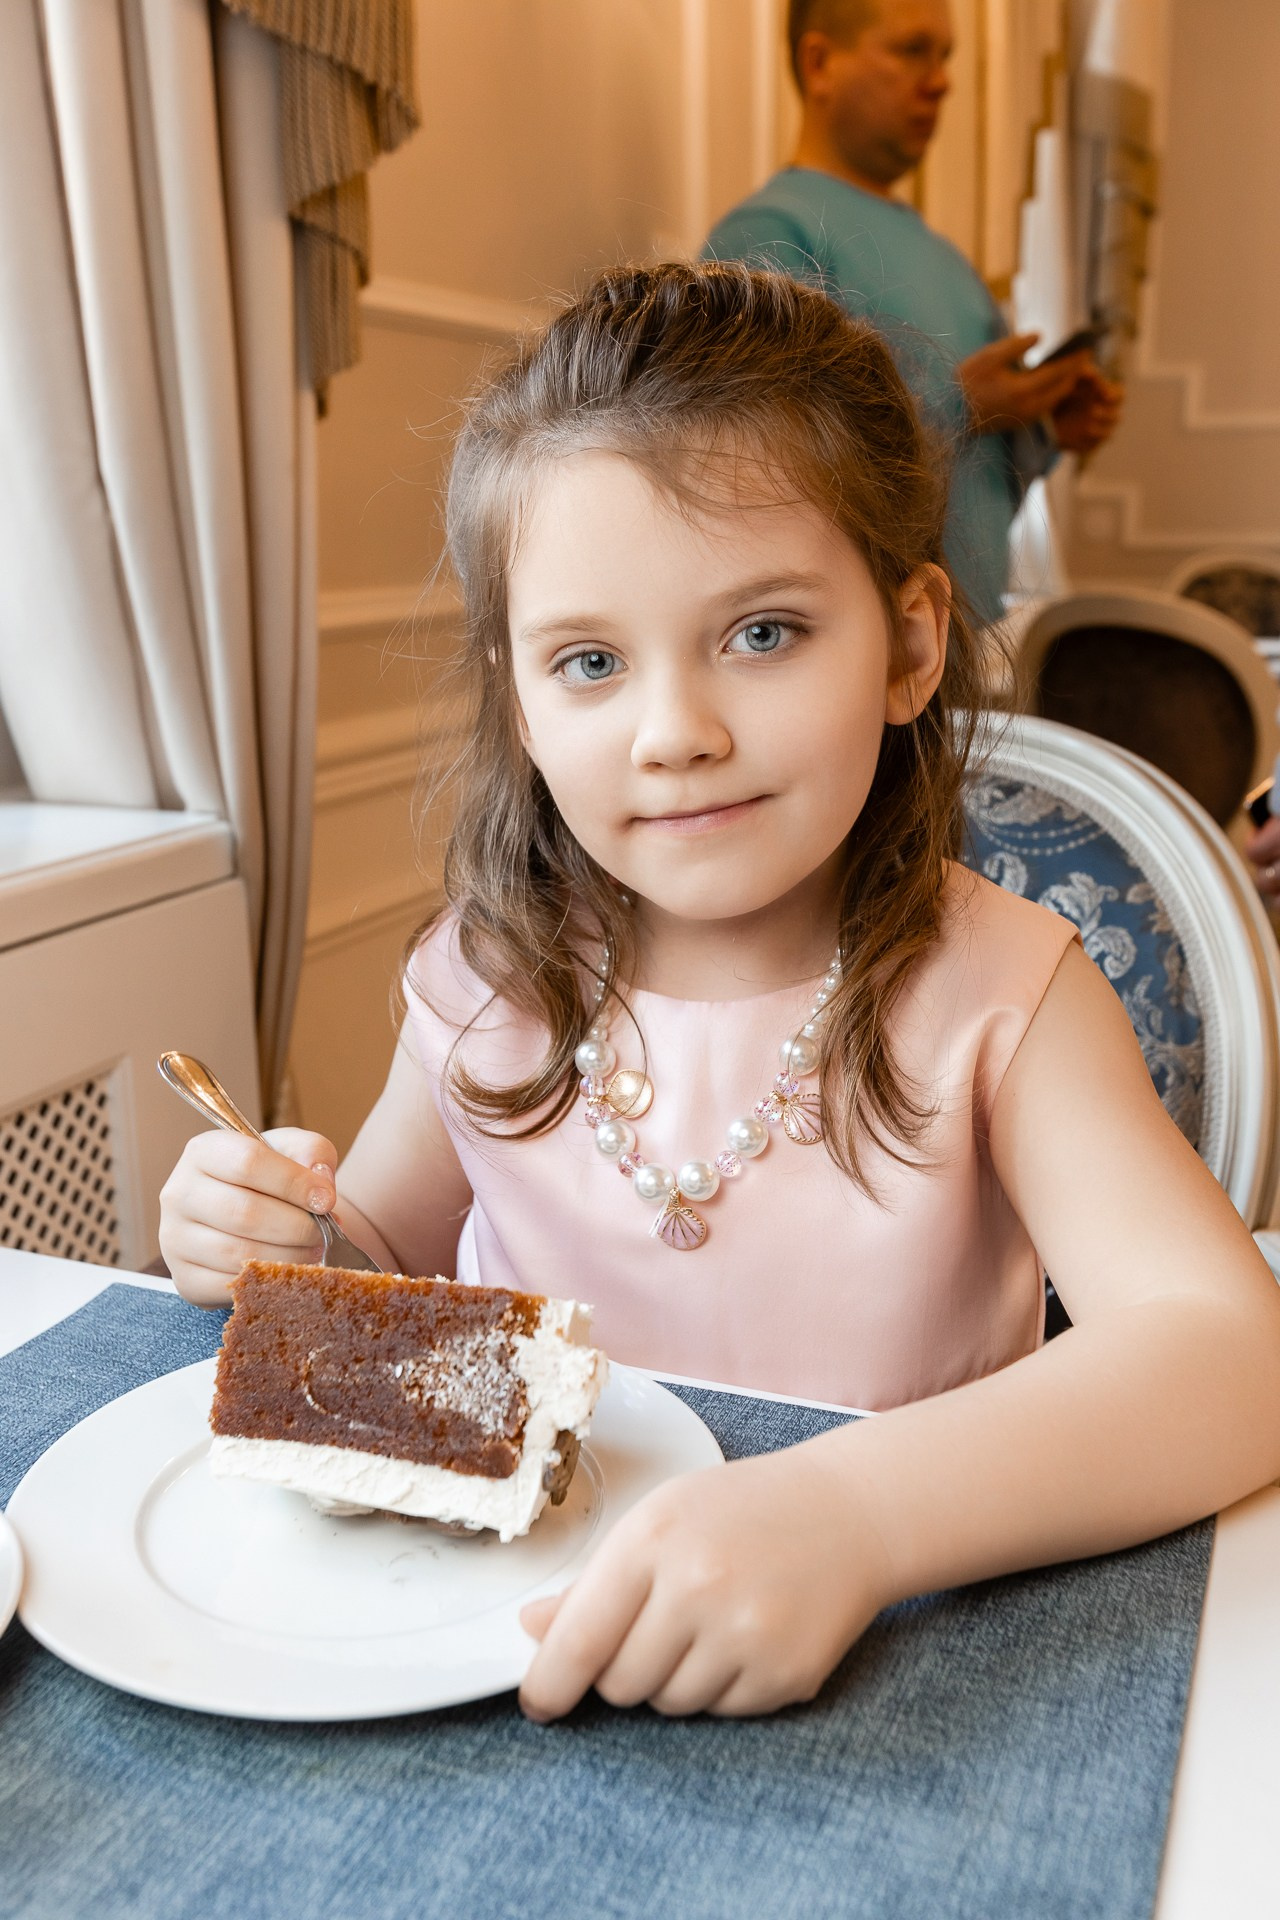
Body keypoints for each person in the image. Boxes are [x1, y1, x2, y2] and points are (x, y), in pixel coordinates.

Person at [160, 264, 1280, 1725]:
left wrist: (860, 1518)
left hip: (899, 1665)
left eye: (762, 633)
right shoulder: (486, 981)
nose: (676, 731)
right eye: (590, 662)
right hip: (505, 1647)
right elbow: (375, 1262)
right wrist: (268, 1225)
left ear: (913, 643)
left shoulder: (1006, 995)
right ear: (520, 699)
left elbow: (1229, 1353)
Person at [703, 0, 1124, 625]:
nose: (942, 79)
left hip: (968, 644)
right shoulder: (769, 232)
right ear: (819, 63)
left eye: (947, 55)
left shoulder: (950, 260)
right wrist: (961, 404)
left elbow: (973, 484)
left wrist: (1042, 431)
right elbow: (770, 469)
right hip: (856, 658)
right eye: (912, 50)